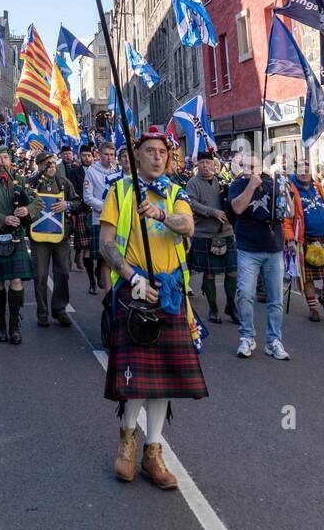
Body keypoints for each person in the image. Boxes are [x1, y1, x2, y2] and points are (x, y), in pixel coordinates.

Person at [99, 127, 207, 489]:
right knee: (135, 378)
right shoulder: (119, 190)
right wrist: (133, 279)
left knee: (163, 379)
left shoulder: (176, 193)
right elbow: (107, 245)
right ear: (137, 155)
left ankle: (152, 451)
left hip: (170, 291)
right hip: (136, 290)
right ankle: (127, 441)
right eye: (150, 151)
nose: (158, 157)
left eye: (163, 151)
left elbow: (187, 225)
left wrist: (159, 215)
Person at [228, 152, 291, 360]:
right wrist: (251, 186)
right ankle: (247, 337)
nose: (251, 170)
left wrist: (285, 190)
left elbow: (287, 212)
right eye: (246, 166)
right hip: (248, 248)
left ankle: (273, 341)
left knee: (275, 299)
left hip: (273, 247)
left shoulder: (272, 183)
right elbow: (236, 208)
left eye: (254, 166)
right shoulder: (238, 185)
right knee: (245, 294)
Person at [0, 150, 43, 345]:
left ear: (10, 160)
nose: (2, 161)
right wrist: (4, 219)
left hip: (15, 236)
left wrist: (27, 210)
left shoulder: (19, 182)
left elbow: (37, 202)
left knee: (16, 281)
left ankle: (14, 326)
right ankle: (0, 326)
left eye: (5, 157)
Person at [29, 151, 81, 327]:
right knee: (41, 275)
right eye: (47, 163)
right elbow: (23, 202)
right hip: (39, 237)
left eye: (53, 163)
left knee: (63, 272)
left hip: (61, 235)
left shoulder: (63, 182)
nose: (52, 166)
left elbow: (78, 203)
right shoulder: (31, 182)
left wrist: (67, 205)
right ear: (40, 165)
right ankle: (42, 312)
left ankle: (60, 309)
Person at [185, 151, 238, 324]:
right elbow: (191, 203)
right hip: (205, 233)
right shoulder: (192, 183)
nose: (206, 166)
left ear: (215, 165)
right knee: (209, 274)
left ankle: (231, 306)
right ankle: (213, 308)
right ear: (197, 166)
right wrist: (212, 212)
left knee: (233, 270)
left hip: (226, 231)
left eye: (209, 163)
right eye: (202, 163)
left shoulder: (223, 181)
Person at [284, 157, 324, 321]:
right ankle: (313, 309)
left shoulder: (319, 188)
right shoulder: (290, 191)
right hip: (304, 240)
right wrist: (290, 239)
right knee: (307, 277)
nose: (304, 173)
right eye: (300, 170)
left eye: (306, 170)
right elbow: (286, 218)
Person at [83, 142, 120, 294]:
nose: (109, 158)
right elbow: (88, 197)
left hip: (116, 219)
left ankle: (109, 284)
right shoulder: (92, 171)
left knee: (111, 258)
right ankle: (108, 293)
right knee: (104, 258)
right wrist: (106, 207)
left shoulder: (117, 170)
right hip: (99, 219)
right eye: (106, 154)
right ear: (99, 154)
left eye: (112, 154)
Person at [60, 143, 89, 272]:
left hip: (79, 204)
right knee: (69, 232)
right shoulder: (60, 167)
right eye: (65, 154)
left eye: (69, 153)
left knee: (80, 234)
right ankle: (69, 258)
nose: (67, 156)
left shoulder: (79, 166)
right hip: (65, 202)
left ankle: (79, 257)